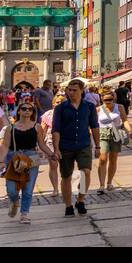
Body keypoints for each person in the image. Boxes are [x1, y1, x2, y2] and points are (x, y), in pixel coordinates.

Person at [51, 79, 99, 217]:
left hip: (83, 144)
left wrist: (97, 145)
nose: (71, 93)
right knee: (66, 176)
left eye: (74, 90)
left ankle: (80, 199)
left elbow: (94, 126)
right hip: (65, 145)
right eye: (69, 90)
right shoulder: (61, 108)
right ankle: (68, 205)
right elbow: (56, 129)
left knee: (86, 172)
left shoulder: (89, 107)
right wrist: (56, 149)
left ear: (82, 91)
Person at [0, 100, 41, 224]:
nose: (27, 111)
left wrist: (52, 154)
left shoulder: (37, 127)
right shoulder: (10, 128)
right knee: (12, 189)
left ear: (33, 112)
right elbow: (5, 145)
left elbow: (41, 144)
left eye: (30, 109)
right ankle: (14, 200)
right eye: (24, 108)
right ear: (19, 111)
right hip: (14, 157)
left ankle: (24, 214)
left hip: (32, 157)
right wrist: (2, 161)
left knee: (28, 188)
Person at [96, 91, 132, 192]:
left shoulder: (119, 107)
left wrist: (129, 131)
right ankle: (101, 185)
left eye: (110, 99)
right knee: (102, 158)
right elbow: (94, 124)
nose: (108, 102)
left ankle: (109, 182)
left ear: (114, 99)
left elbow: (124, 120)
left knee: (113, 158)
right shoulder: (98, 109)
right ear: (102, 99)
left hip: (116, 134)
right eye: (105, 100)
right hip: (102, 134)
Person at [39, 96, 61, 196]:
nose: (59, 103)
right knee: (53, 165)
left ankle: (66, 185)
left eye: (62, 102)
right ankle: (55, 188)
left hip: (66, 142)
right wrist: (40, 144)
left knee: (66, 166)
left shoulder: (71, 112)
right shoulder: (47, 114)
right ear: (53, 103)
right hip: (50, 141)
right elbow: (42, 130)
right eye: (57, 102)